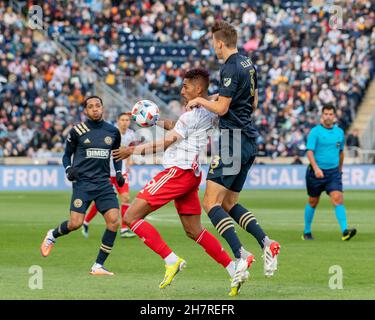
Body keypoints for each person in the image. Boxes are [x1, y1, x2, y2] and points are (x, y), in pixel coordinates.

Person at [113, 68, 250, 296]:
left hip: (177, 171)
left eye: (186, 86)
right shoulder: (208, 110)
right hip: (192, 174)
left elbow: (168, 141)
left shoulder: (192, 113)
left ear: (197, 88)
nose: (181, 89)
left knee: (130, 217)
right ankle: (233, 268)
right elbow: (182, 125)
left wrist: (133, 150)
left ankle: (171, 259)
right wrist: (158, 120)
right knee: (193, 230)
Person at [186, 21, 280, 288]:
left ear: (219, 42)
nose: (213, 48)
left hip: (232, 139)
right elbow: (253, 101)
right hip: (249, 139)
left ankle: (240, 254)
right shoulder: (248, 64)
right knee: (229, 204)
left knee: (211, 204)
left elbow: (223, 108)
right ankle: (267, 243)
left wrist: (201, 100)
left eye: (212, 43)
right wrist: (216, 95)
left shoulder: (228, 67)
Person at [40, 96, 125, 275]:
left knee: (114, 221)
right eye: (91, 107)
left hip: (103, 184)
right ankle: (52, 235)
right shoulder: (77, 131)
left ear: (102, 108)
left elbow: (116, 156)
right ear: (85, 111)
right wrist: (69, 168)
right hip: (83, 184)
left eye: (98, 106)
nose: (95, 109)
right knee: (75, 223)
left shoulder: (113, 132)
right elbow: (65, 155)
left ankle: (98, 266)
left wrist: (118, 173)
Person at [303, 105, 357, 241]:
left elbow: (341, 152)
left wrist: (339, 170)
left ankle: (345, 231)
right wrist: (316, 168)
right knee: (313, 201)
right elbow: (309, 152)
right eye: (326, 114)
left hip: (333, 173)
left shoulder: (339, 132)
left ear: (334, 116)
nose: (328, 116)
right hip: (316, 173)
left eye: (330, 114)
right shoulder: (315, 132)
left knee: (338, 197)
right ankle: (306, 231)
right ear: (322, 116)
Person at [82, 112, 137, 239]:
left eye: (127, 120)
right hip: (106, 172)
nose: (125, 122)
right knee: (100, 201)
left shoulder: (131, 134)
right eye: (122, 120)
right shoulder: (110, 132)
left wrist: (128, 163)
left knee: (126, 198)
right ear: (118, 121)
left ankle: (123, 229)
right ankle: (86, 221)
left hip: (120, 172)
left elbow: (129, 150)